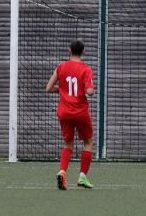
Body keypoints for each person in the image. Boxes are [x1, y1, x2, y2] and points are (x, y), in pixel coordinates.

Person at [46, 40, 95, 190]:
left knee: (68, 144)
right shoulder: (86, 69)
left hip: (64, 112)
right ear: (83, 51)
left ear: (69, 50)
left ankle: (62, 172)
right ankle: (82, 177)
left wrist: (62, 89)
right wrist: (90, 90)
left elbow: (48, 88)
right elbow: (89, 91)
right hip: (80, 112)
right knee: (88, 142)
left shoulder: (61, 67)